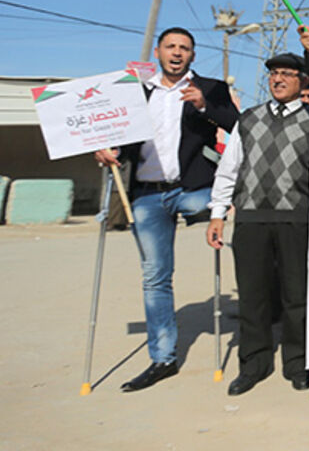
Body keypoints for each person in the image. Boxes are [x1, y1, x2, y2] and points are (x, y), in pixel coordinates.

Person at [94, 27, 239, 392]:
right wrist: (108, 150)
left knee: (238, 217)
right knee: (155, 276)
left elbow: (239, 127)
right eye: (170, 46)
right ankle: (163, 359)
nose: (177, 52)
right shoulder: (136, 93)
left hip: (194, 189)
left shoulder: (210, 87)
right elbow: (121, 140)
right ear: (158, 51)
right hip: (147, 193)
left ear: (193, 55)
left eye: (184, 48)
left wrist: (204, 106)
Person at [205, 54, 309, 395]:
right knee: (252, 295)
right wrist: (218, 212)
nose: (278, 79)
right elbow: (229, 168)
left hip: (298, 219)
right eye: (274, 73)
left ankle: (298, 363)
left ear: (302, 81)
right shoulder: (248, 120)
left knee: (297, 296)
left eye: (287, 74)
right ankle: (253, 364)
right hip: (250, 218)